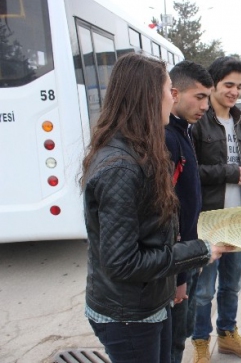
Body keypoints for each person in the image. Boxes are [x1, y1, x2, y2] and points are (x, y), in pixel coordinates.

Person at [81, 53, 230, 363]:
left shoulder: (139, 149)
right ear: (149, 96)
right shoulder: (121, 166)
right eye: (167, 89)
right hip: (129, 315)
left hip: (148, 303)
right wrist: (200, 251)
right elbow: (122, 263)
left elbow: (155, 232)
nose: (171, 96)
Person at [191, 56, 241, 363]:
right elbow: (188, 171)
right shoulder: (198, 123)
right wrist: (226, 172)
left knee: (232, 284)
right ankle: (201, 342)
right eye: (229, 85)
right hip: (208, 220)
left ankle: (228, 334)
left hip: (239, 219)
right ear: (214, 84)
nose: (234, 92)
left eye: (240, 86)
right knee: (204, 289)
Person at [165, 61, 214, 363]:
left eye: (207, 98)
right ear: (175, 93)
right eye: (198, 97)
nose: (205, 106)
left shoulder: (183, 131)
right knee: (172, 344)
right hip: (175, 265)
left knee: (178, 338)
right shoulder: (168, 138)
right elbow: (169, 214)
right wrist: (179, 276)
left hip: (187, 257)